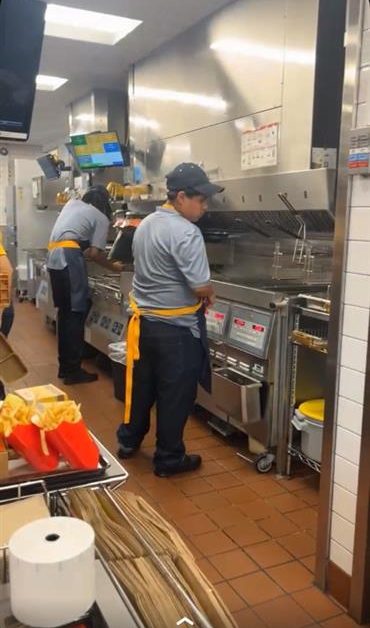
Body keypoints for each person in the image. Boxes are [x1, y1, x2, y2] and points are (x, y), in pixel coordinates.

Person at [117, 163, 224, 477]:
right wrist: (209, 292)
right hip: (176, 332)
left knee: (141, 388)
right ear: (180, 197)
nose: (204, 207)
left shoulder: (146, 223)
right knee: (175, 394)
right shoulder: (187, 232)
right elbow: (200, 285)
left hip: (145, 325)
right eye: (201, 200)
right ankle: (168, 458)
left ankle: (128, 442)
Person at [47, 186, 123, 385]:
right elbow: (94, 254)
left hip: (54, 259)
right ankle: (73, 371)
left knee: (64, 314)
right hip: (69, 259)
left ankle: (65, 367)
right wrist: (114, 266)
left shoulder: (71, 204)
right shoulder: (100, 217)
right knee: (75, 314)